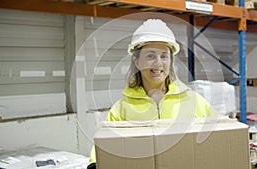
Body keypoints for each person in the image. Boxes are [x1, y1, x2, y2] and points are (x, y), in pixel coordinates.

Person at [87, 19, 217, 169]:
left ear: (171, 62)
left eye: (164, 56)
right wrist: (95, 164)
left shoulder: (193, 101)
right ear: (137, 62)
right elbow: (103, 146)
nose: (158, 63)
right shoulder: (121, 109)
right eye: (150, 56)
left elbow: (222, 133)